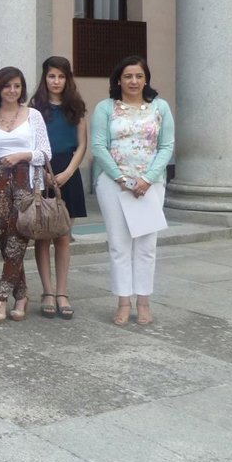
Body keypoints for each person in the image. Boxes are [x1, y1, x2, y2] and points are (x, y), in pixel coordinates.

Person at [92, 56, 174, 327]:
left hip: (150, 184)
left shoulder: (160, 107)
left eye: (139, 76)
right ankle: (123, 302)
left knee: (146, 246)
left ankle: (144, 302)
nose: (134, 81)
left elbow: (167, 146)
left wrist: (147, 179)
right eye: (128, 76)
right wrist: (122, 179)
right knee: (119, 245)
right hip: (113, 183)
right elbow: (98, 146)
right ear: (118, 80)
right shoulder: (105, 108)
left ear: (146, 78)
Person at [0, 67, 52, 324]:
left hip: (26, 182)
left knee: (18, 238)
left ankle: (1, 296)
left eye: (17, 86)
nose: (12, 90)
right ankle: (22, 295)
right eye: (7, 86)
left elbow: (46, 152)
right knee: (5, 237)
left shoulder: (33, 115)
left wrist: (22, 155)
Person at [29, 56, 89, 319]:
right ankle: (47, 291)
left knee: (63, 236)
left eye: (61, 76)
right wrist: (43, 172)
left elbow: (82, 145)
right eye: (52, 76)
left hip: (68, 172)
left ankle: (62, 292)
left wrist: (68, 172)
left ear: (68, 79)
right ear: (45, 78)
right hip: (41, 170)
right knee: (43, 235)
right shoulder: (35, 108)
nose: (56, 81)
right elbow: (30, 143)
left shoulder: (76, 107)